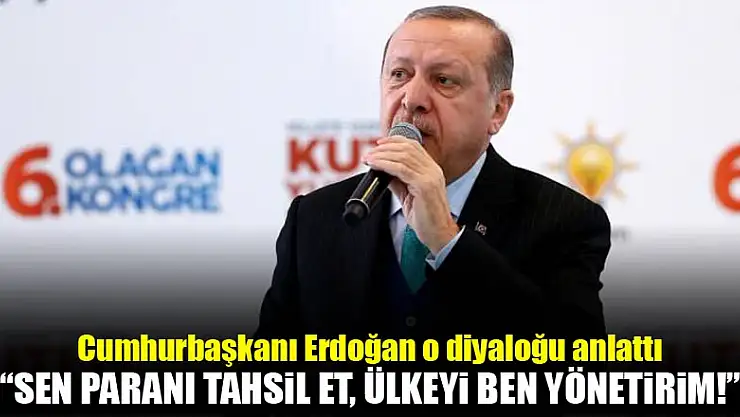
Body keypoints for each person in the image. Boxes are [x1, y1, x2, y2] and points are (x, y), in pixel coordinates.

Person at [256, 5, 610, 346]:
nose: (411, 99)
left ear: (498, 110)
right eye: (399, 75)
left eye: (443, 80)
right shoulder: (316, 216)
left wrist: (446, 239)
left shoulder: (565, 219)